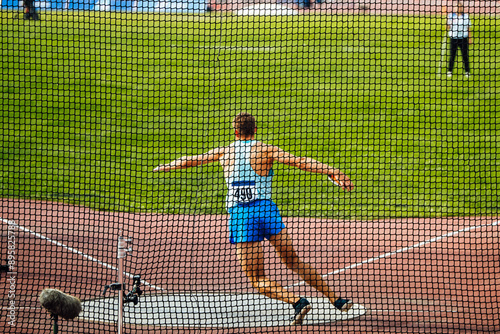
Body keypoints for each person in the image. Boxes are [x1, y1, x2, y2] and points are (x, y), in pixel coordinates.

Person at [153, 112, 355, 325]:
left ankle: (298, 302)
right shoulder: (265, 150)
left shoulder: (224, 152)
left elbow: (191, 161)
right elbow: (301, 162)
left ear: (236, 131)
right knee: (294, 261)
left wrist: (167, 166)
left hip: (243, 218)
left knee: (258, 280)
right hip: (268, 213)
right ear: (255, 130)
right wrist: (334, 171)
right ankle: (337, 300)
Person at [446, 2, 472, 78]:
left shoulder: (466, 16)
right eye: (457, 7)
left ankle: (467, 71)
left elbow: (468, 28)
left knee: (465, 55)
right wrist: (447, 21)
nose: (458, 8)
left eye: (460, 7)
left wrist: (470, 39)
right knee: (452, 55)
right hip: (453, 38)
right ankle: (450, 71)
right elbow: (447, 27)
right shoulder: (450, 16)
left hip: (463, 38)